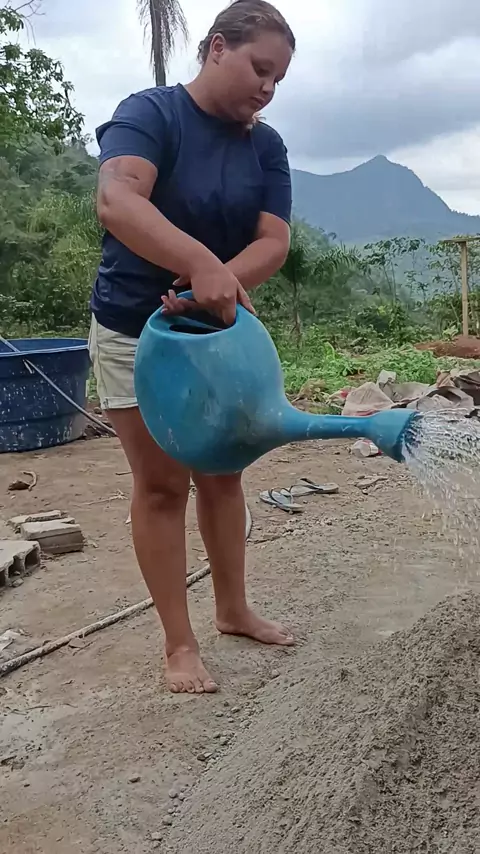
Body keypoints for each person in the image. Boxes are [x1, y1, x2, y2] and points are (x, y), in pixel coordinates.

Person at [89, 0, 296, 694]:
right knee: (160, 485)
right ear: (216, 48)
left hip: (215, 336)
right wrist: (201, 262)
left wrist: (219, 282)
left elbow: (274, 240)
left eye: (278, 79)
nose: (267, 88)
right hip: (134, 331)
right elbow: (118, 200)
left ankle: (233, 609)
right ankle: (179, 645)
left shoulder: (266, 146)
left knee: (223, 472)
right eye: (259, 68)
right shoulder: (151, 114)